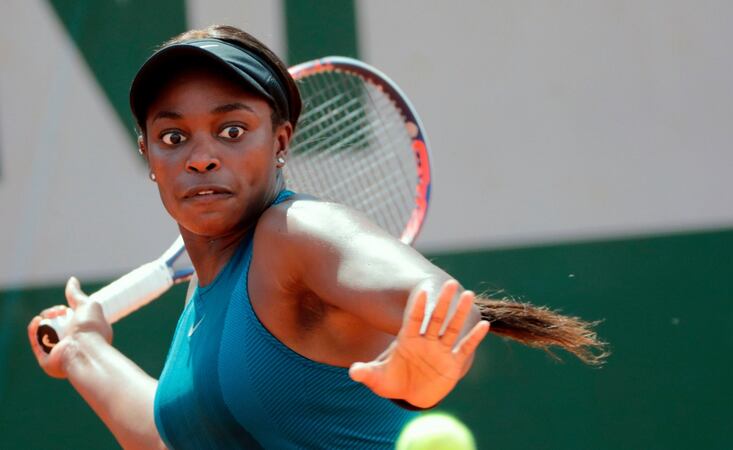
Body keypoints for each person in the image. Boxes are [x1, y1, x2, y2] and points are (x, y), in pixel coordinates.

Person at [27, 25, 606, 449]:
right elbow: (169, 437)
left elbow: (427, 299)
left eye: (232, 130)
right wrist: (83, 351)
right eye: (173, 137)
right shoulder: (200, 311)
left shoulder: (297, 232)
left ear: (280, 142)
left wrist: (418, 369)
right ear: (148, 157)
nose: (201, 157)